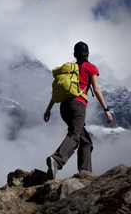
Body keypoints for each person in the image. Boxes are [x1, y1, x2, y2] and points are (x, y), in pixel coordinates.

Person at [43, 41, 113, 180]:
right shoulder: (91, 67)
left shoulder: (70, 69)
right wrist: (106, 109)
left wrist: (48, 110)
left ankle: (85, 174)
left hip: (64, 107)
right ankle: (57, 160)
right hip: (78, 105)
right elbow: (96, 89)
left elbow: (57, 91)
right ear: (88, 54)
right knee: (75, 135)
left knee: (86, 141)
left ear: (75, 55)